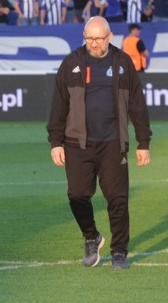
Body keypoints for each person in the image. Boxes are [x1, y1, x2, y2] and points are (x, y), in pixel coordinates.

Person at [47, 16, 152, 270]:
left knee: (117, 199)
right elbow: (59, 105)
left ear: (110, 37)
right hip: (77, 144)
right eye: (89, 38)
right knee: (77, 195)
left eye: (98, 38)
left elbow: (137, 104)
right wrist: (56, 141)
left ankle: (119, 252)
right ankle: (91, 236)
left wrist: (143, 142)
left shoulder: (123, 62)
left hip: (113, 143)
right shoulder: (71, 63)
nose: (93, 43)